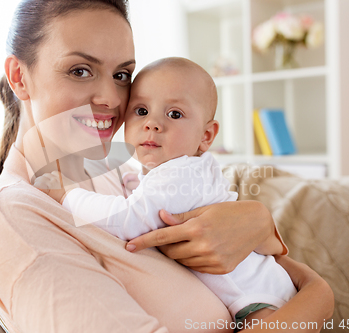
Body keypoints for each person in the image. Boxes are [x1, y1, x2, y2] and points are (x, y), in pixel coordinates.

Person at [0, 0, 334, 332]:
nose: (111, 98)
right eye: (80, 71)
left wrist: (258, 220)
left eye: (122, 75)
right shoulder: (14, 215)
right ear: (19, 76)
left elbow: (266, 271)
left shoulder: (118, 175)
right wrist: (319, 297)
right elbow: (310, 293)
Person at [34, 57, 299, 326]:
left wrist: (66, 197)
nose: (152, 123)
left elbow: (129, 219)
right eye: (140, 111)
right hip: (262, 287)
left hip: (259, 298)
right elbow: (161, 201)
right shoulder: (184, 168)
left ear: (206, 136)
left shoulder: (180, 173)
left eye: (174, 114)